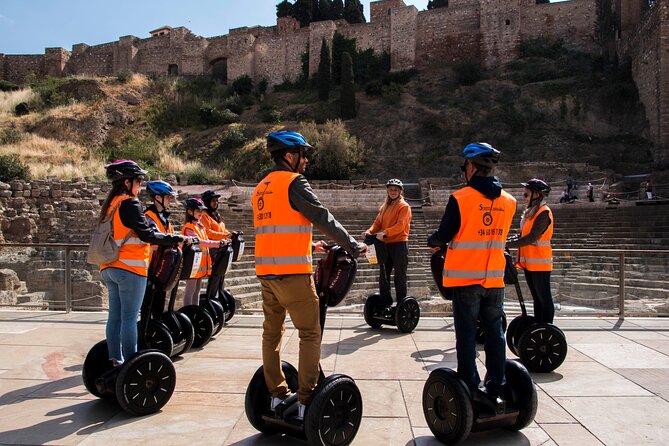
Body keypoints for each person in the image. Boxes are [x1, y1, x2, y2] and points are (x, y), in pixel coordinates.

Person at [252, 131, 367, 419]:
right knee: (310, 333)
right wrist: (352, 245)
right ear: (289, 156)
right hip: (293, 274)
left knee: (271, 335)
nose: (305, 161)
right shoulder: (294, 182)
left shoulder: (261, 187)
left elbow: (278, 226)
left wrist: (310, 243)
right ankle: (306, 401)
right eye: (303, 155)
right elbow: (322, 216)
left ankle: (278, 396)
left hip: (267, 273)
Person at [427, 143, 516, 409]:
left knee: (466, 335)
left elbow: (445, 234)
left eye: (464, 166)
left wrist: (433, 240)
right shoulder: (509, 202)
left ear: (471, 166)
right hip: (495, 280)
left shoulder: (461, 198)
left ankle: (469, 385)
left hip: (466, 280)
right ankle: (497, 384)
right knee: (495, 333)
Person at [99, 160, 188, 366]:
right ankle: (132, 362)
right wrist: (174, 239)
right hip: (130, 268)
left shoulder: (110, 203)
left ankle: (115, 360)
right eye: (138, 180)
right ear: (127, 182)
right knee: (130, 318)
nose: (140, 186)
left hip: (109, 267)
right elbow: (146, 234)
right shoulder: (129, 203)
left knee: (115, 317)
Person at [506, 179, 555, 324]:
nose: (524, 196)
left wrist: (508, 243)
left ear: (537, 194)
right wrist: (508, 240)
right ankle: (539, 325)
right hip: (530, 263)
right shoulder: (531, 213)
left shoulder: (544, 213)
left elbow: (532, 237)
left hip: (540, 264)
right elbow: (522, 235)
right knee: (537, 298)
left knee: (544, 298)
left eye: (527, 194)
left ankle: (547, 328)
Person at [362, 178, 412, 306]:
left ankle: (401, 305)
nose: (393, 192)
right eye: (391, 190)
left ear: (400, 191)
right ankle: (385, 303)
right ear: (388, 191)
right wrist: (369, 231)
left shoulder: (404, 206)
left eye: (395, 190)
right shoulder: (385, 206)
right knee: (384, 276)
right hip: (385, 245)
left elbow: (401, 226)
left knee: (399, 277)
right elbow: (377, 223)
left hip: (399, 245)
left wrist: (385, 233)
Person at [181, 197, 225, 306]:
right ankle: (188, 311)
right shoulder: (189, 228)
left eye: (201, 210)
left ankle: (195, 311)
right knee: (190, 290)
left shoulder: (200, 226)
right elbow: (201, 242)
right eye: (198, 211)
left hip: (199, 263)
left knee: (197, 290)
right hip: (192, 263)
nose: (201, 213)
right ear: (190, 212)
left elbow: (206, 240)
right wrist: (217, 243)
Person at [144, 180, 178, 261]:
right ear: (157, 197)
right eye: (167, 197)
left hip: (162, 263)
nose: (169, 200)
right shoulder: (148, 216)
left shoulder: (163, 217)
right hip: (151, 265)